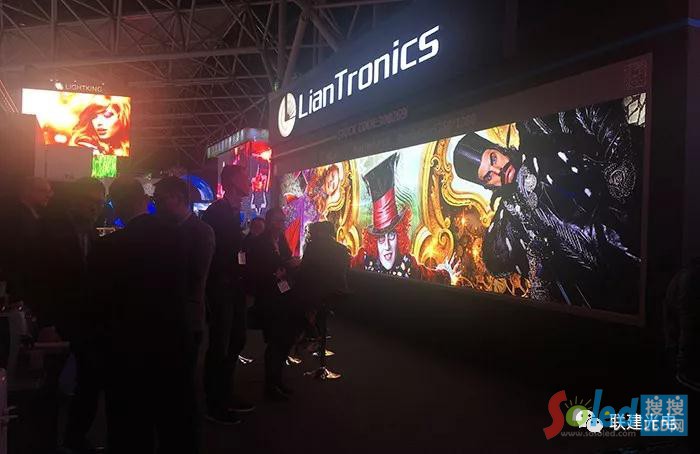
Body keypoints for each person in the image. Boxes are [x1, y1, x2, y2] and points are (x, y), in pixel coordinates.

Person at [452, 98, 643, 312]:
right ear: (487, 185)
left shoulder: (535, 135)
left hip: (631, 223)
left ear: (498, 149)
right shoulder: (510, 217)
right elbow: (496, 262)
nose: (498, 171)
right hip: (606, 291)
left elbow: (589, 110)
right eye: (488, 176)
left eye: (493, 159)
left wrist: (619, 165)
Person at [29, 177, 105, 453]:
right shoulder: (50, 230)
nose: (95, 208)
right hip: (57, 318)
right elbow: (38, 279)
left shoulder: (89, 231)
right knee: (48, 386)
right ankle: (46, 442)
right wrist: (46, 321)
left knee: (88, 381)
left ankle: (74, 439)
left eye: (99, 203)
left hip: (83, 319)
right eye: (90, 202)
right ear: (75, 199)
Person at [201, 165, 254, 424]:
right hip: (221, 287)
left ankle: (224, 393)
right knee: (221, 345)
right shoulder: (216, 213)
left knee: (236, 340)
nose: (250, 181)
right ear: (233, 181)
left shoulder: (233, 212)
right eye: (245, 177)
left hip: (234, 287)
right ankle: (214, 402)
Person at [351, 154, 455, 284]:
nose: (387, 246)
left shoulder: (409, 265)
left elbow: (430, 277)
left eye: (392, 235)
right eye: (381, 239)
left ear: (400, 237)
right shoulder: (362, 259)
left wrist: (446, 273)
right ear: (374, 242)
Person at [247, 207, 303, 400]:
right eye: (277, 220)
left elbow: (284, 261)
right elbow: (255, 270)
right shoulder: (260, 242)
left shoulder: (281, 240)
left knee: (284, 340)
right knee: (275, 341)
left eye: (282, 220)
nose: (281, 224)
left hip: (283, 296)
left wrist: (288, 266)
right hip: (268, 298)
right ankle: (271, 385)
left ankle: (277, 381)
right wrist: (280, 270)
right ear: (269, 221)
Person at [0, 177, 53, 303]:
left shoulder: (27, 215)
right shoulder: (16, 217)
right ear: (27, 191)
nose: (49, 195)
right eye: (43, 191)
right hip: (18, 283)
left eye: (50, 191)